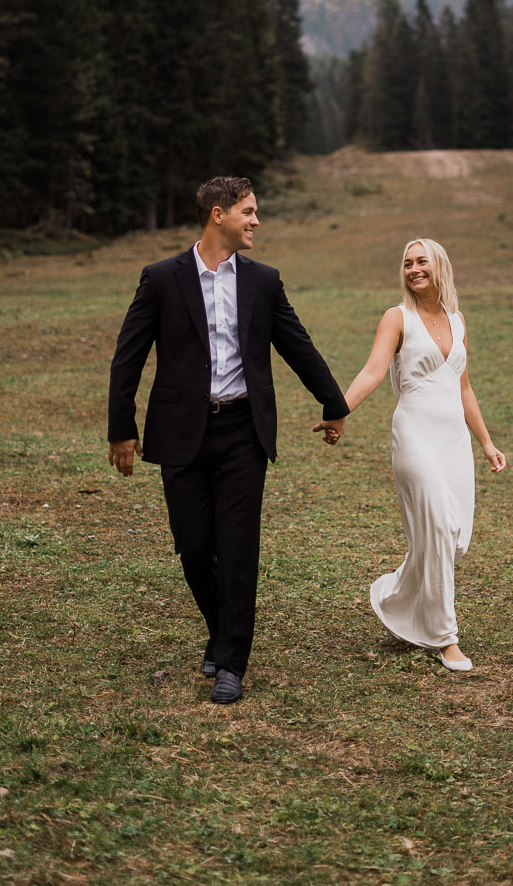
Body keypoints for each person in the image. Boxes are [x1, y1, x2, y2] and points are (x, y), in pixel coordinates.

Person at [108, 176, 348, 704]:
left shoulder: (263, 281)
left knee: (237, 547)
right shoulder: (162, 278)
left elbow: (297, 344)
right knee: (194, 546)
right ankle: (221, 631)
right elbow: (128, 356)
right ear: (218, 215)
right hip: (181, 431)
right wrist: (121, 427)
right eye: (248, 211)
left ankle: (232, 661)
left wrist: (334, 403)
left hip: (244, 430)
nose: (256, 221)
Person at [341, 238, 505, 672]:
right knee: (438, 527)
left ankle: (396, 597)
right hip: (414, 435)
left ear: (439, 267)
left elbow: (464, 387)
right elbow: (373, 371)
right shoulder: (397, 318)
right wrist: (340, 410)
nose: (413, 269)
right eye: (407, 263)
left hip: (454, 441)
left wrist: (486, 443)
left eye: (421, 262)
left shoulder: (458, 320)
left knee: (454, 539)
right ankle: (446, 638)